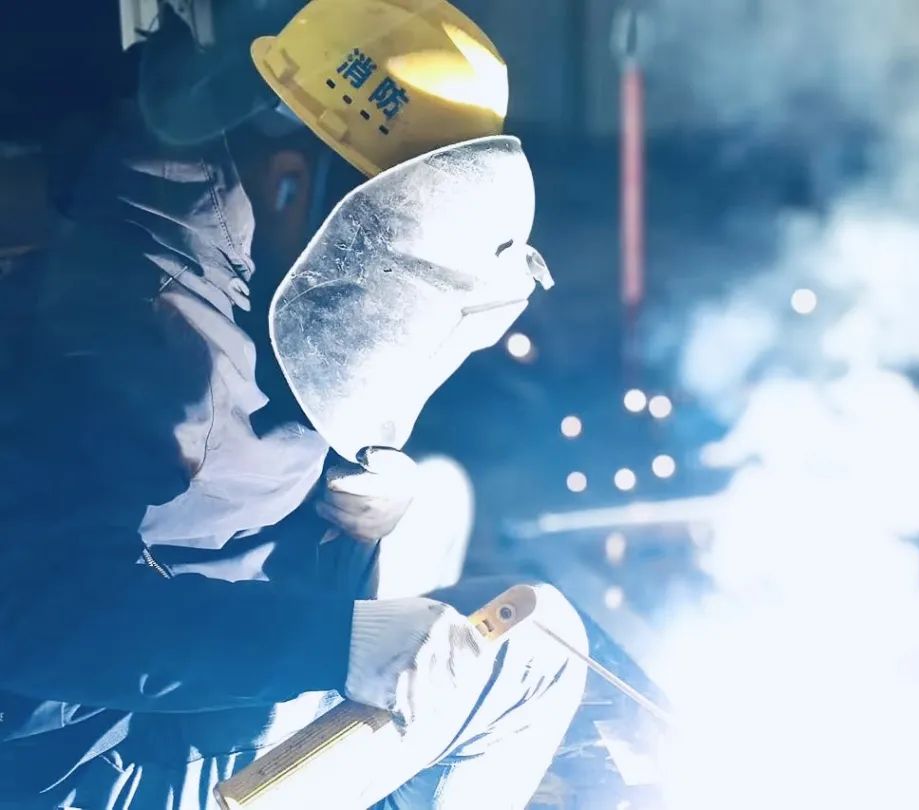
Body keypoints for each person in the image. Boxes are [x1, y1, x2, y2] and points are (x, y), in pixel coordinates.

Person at [0, 1, 587, 807]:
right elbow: (31, 610)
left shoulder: (223, 254)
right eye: (389, 243)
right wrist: (335, 644)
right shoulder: (144, 339)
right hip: (99, 768)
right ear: (291, 182)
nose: (379, 284)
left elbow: (201, 487)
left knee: (438, 515)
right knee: (536, 650)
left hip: (173, 713)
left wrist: (341, 507)